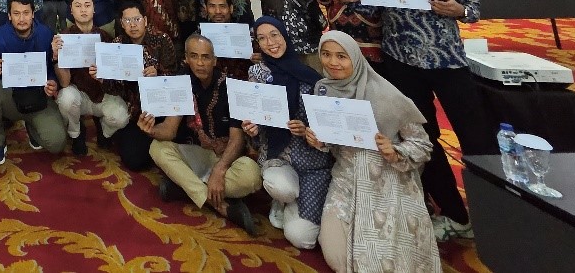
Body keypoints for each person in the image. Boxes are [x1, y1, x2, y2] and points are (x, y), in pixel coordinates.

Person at [353, 0, 487, 242]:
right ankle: (454, 213)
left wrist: (459, 11)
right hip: (401, 62)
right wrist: (356, 2)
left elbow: (473, 8)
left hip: (447, 60)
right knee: (423, 138)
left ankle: (494, 211)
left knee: (476, 136)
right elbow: (369, 14)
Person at [309, 31, 439, 273]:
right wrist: (319, 140)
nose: (333, 62)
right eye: (326, 54)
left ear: (356, 59)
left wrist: (395, 152)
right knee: (337, 257)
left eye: (342, 56)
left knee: (383, 260)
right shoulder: (324, 90)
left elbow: (423, 145)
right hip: (346, 179)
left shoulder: (387, 96)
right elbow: (333, 143)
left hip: (386, 180)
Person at [143, 34, 262, 233]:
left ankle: (184, 188)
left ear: (214, 60)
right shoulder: (181, 81)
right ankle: (218, 204)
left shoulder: (229, 87)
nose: (200, 63)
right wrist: (151, 130)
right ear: (186, 59)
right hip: (198, 154)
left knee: (252, 176)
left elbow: (237, 139)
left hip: (226, 158)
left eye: (205, 57)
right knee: (157, 148)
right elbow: (170, 130)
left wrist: (220, 169)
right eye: (194, 56)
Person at [242, 17, 331, 249]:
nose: (270, 43)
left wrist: (306, 129)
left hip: (311, 161)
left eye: (274, 35)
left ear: (284, 36)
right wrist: (253, 128)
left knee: (303, 239)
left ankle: (294, 204)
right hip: (278, 154)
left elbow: (324, 125)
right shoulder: (257, 73)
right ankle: (283, 199)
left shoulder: (312, 76)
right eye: (262, 38)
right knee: (283, 188)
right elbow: (257, 116)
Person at [0, 0, 67, 165]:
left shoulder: (45, 34)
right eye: (16, 13)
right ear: (9, 16)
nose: (21, 19)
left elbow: (51, 68)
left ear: (33, 14)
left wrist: (52, 82)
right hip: (9, 96)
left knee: (57, 143)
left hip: (38, 97)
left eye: (26, 13)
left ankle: (32, 127)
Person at [102, 1, 179, 170]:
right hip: (134, 110)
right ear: (122, 23)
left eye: (137, 19)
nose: (133, 25)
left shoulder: (162, 39)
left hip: (160, 105)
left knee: (177, 138)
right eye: (127, 21)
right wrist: (103, 78)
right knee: (135, 161)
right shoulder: (117, 45)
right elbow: (111, 89)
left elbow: (175, 77)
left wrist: (158, 73)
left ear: (145, 20)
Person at [52, 0, 129, 157]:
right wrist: (57, 57)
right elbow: (64, 83)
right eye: (78, 6)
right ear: (71, 11)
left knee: (122, 117)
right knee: (66, 99)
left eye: (87, 5)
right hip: (78, 95)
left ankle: (104, 131)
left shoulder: (105, 37)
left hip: (102, 93)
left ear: (94, 9)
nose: (83, 10)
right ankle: (76, 133)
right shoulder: (64, 38)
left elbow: (115, 79)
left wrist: (102, 77)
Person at [202, 0, 250, 81]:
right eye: (212, 6)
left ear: (231, 8)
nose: (218, 11)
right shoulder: (199, 37)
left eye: (222, 6)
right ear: (206, 9)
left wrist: (258, 59)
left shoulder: (247, 35)